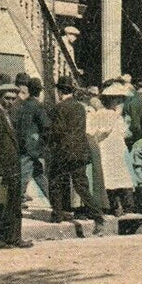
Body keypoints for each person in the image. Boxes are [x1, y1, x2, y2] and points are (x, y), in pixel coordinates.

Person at [48, 88, 105, 229]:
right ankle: (98, 216)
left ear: (60, 92)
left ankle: (57, 214)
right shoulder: (80, 107)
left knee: (55, 181)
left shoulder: (59, 107)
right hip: (80, 150)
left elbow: (58, 131)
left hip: (64, 151)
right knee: (81, 185)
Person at [0, 83, 31, 249]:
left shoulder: (11, 116)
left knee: (13, 206)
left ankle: (14, 238)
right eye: (7, 98)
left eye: (13, 98)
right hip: (1, 169)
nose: (10, 102)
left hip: (12, 168)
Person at [90, 88, 135, 215]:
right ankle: (118, 206)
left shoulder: (112, 115)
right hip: (109, 148)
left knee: (114, 177)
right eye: (117, 99)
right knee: (114, 177)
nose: (119, 102)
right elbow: (105, 130)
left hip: (115, 149)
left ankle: (117, 205)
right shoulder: (107, 114)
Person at [12, 75, 51, 207]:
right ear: (39, 91)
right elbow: (46, 126)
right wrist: (42, 142)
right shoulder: (38, 106)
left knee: (38, 173)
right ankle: (16, 202)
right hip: (32, 147)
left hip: (23, 144)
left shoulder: (22, 105)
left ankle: (55, 201)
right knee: (25, 174)